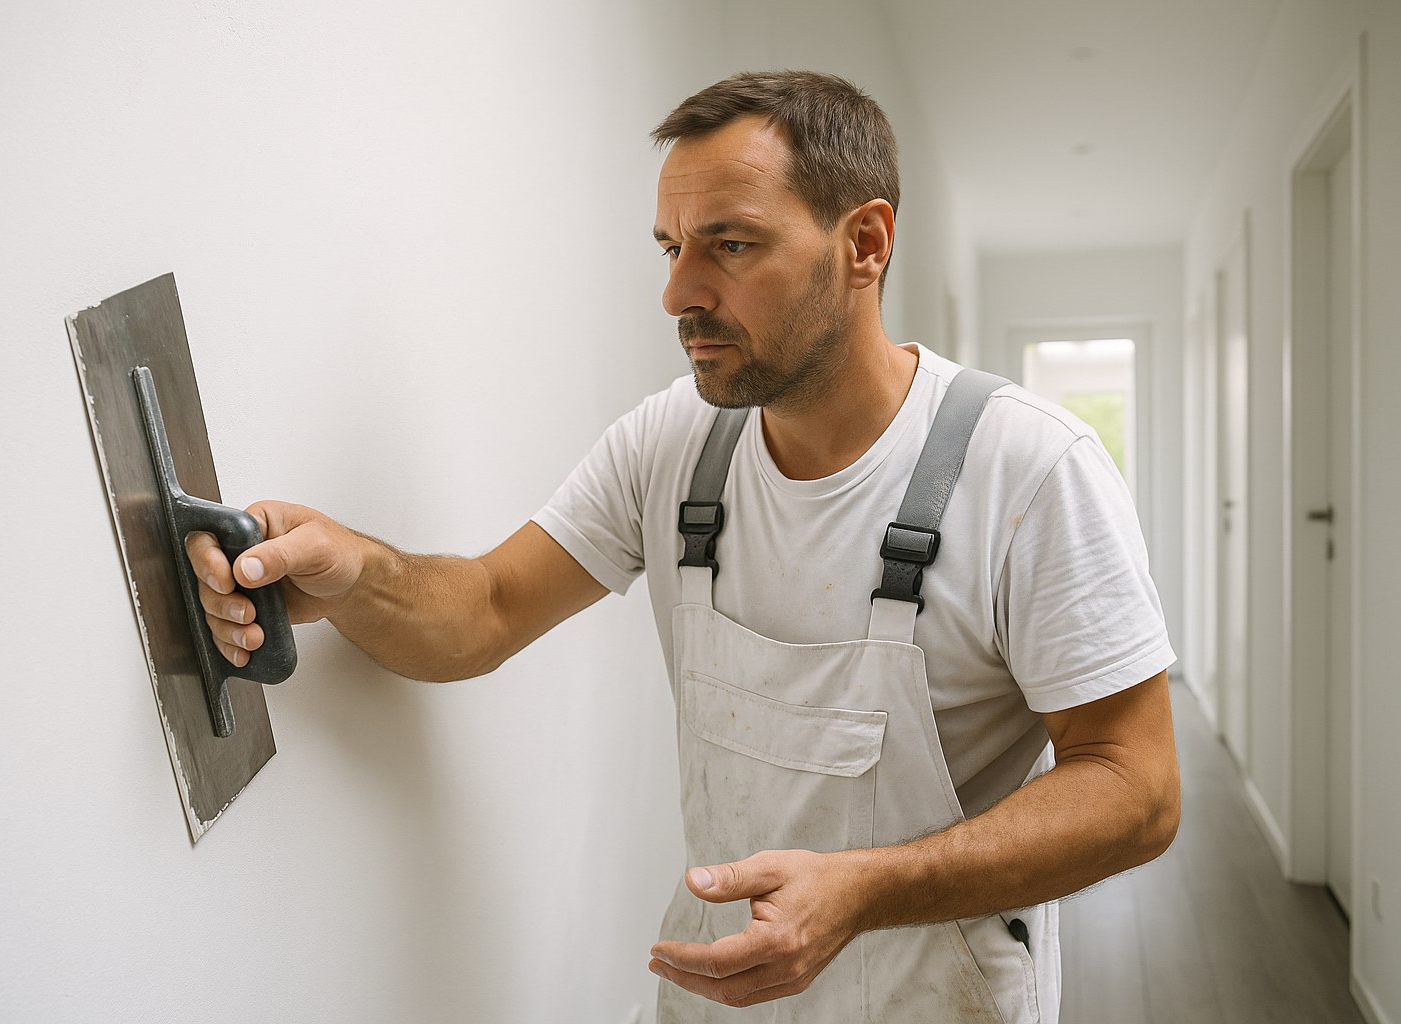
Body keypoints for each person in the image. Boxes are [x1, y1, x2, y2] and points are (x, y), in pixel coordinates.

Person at [187, 70, 1180, 1023]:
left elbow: (1137, 789)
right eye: (670, 248)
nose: (678, 295)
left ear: (865, 242)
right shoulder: (676, 444)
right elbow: (483, 612)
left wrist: (863, 891)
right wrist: (353, 569)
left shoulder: (1030, 469)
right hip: (721, 1001)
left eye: (732, 246)